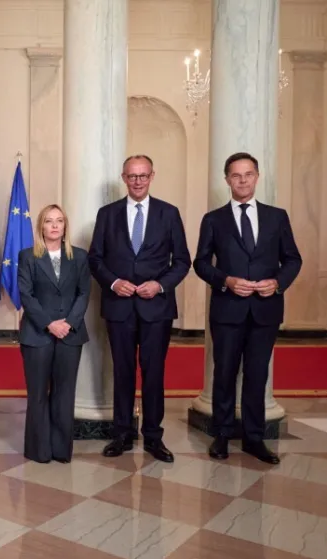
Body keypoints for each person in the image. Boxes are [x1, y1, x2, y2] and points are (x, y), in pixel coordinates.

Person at [193, 152, 302, 465]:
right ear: (226, 180)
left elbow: (293, 259)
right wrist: (225, 280)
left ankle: (255, 438)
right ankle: (223, 434)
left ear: (257, 177)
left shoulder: (277, 217)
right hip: (227, 308)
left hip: (265, 310)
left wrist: (278, 282)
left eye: (248, 174)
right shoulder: (213, 219)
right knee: (224, 373)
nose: (242, 180)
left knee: (257, 374)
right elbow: (201, 263)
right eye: (236, 175)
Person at [88, 155, 190, 463]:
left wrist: (159, 285)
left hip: (156, 308)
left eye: (143, 175)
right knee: (122, 372)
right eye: (132, 176)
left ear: (152, 176)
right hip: (119, 306)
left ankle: (154, 437)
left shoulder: (169, 213)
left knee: (154, 373)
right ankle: (122, 433)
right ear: (123, 177)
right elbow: (95, 259)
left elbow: (182, 261)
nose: (137, 181)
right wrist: (114, 282)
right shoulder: (107, 214)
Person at [17, 205, 91, 464]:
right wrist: (50, 324)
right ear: (41, 227)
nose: (55, 225)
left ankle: (61, 450)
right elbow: (27, 295)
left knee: (64, 393)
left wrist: (68, 323)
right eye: (49, 221)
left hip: (71, 335)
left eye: (59, 220)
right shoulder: (27, 256)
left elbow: (84, 293)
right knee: (37, 393)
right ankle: (39, 450)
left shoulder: (80, 257)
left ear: (65, 226)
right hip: (37, 334)